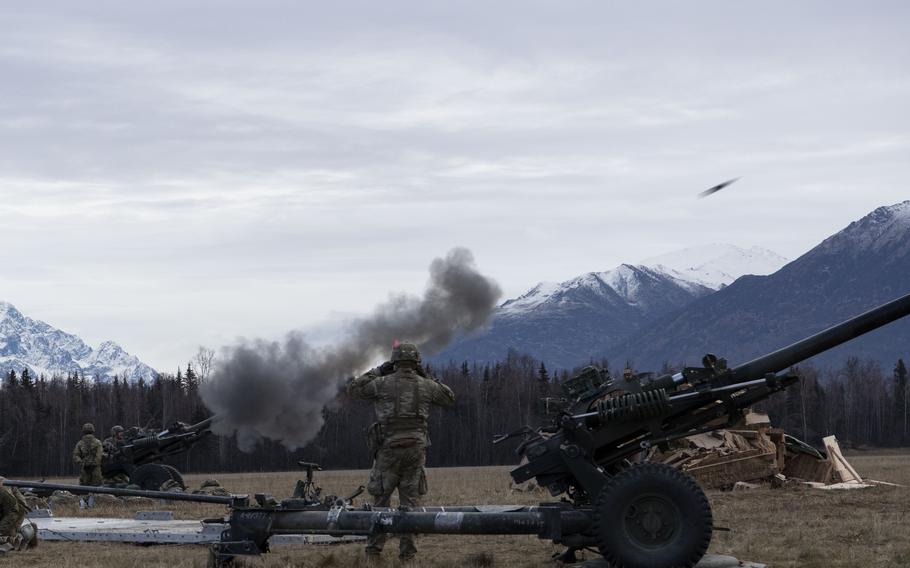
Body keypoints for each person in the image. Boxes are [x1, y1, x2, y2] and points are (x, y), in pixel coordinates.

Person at [347, 342, 455, 562]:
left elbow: (353, 389)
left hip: (388, 450)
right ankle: (408, 556)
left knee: (380, 501)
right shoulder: (427, 386)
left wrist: (378, 370)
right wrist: (428, 376)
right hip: (416, 450)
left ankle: (374, 553)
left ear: (394, 361)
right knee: (410, 503)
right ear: (416, 362)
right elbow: (449, 398)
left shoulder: (382, 383)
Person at [0, 476, 29, 555]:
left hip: (15, 511)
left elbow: (13, 510)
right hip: (11, 510)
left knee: (6, 534)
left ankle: (20, 538)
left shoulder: (3, 488)